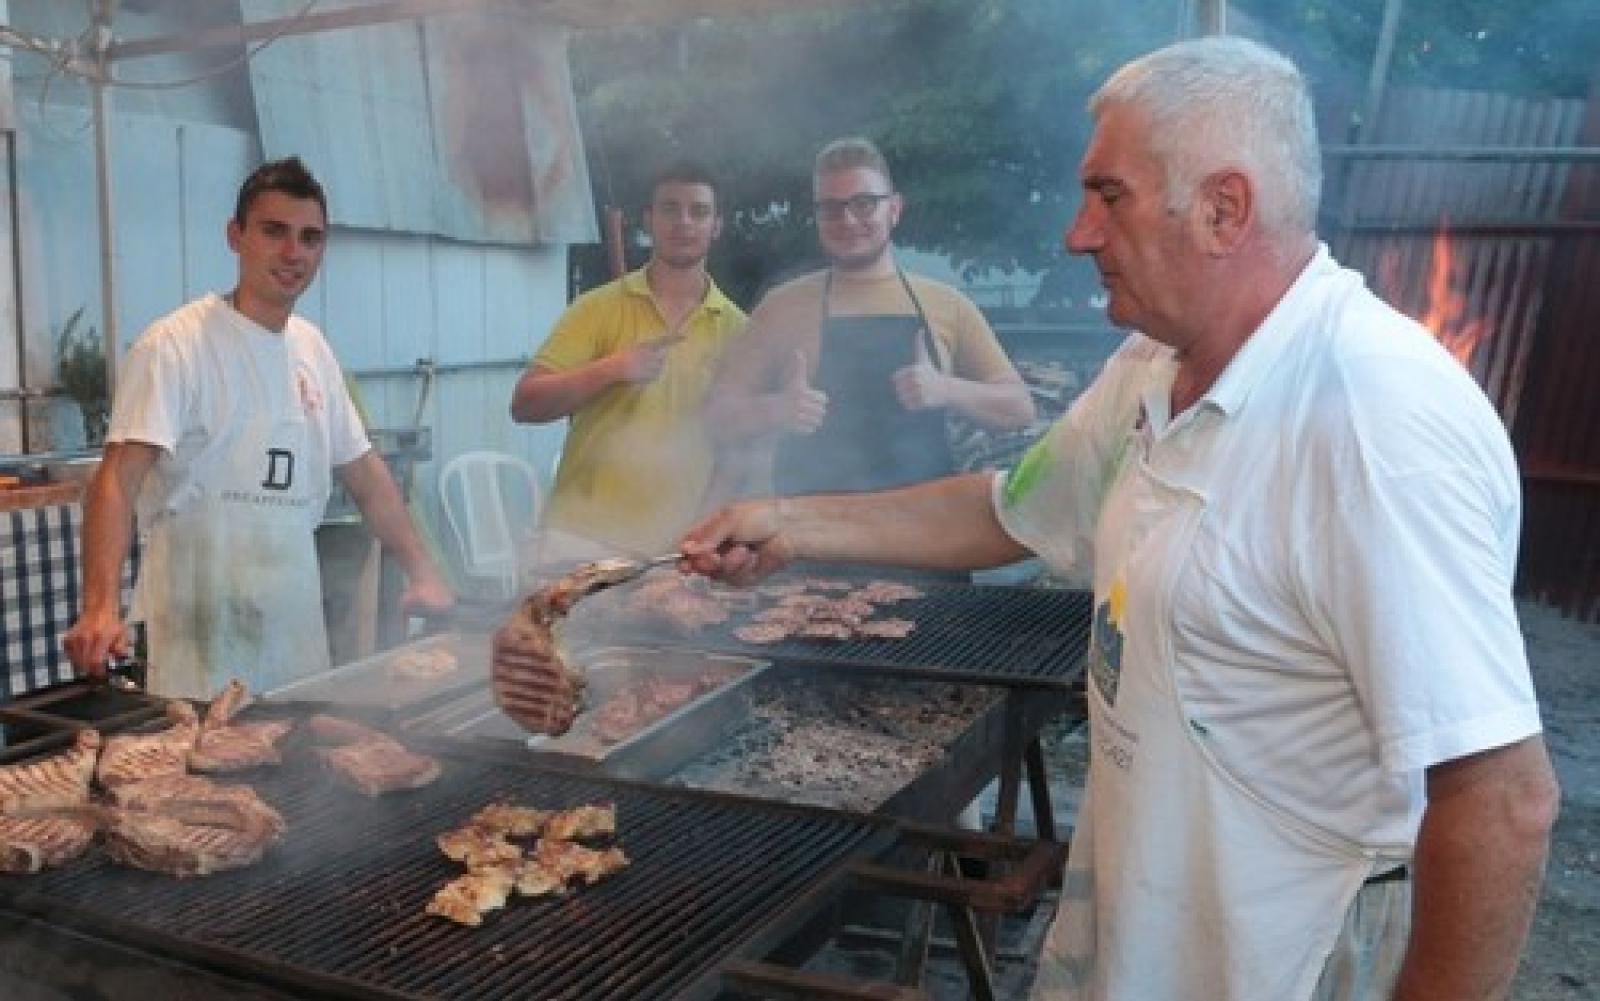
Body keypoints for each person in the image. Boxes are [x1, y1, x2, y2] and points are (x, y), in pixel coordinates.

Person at [675, 38, 1559, 1001]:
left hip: (1292, 949)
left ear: (1224, 208)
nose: (1076, 234)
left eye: (1109, 195)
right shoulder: (1149, 367)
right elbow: (1008, 509)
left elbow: (1502, 798)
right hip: (1157, 912)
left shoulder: (1376, 416)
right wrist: (789, 522)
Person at [63, 157, 453, 699]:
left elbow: (366, 474)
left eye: (310, 238)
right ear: (235, 235)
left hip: (294, 634)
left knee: (304, 776)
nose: (294, 253)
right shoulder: (175, 344)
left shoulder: (312, 349)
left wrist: (422, 570)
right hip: (196, 632)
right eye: (275, 231)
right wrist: (99, 608)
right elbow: (116, 479)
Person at [703, 136, 1033, 500]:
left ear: (894, 208)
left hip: (927, 535)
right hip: (810, 537)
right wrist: (776, 409)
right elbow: (716, 417)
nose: (847, 219)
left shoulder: (947, 304)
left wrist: (946, 388)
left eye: (864, 204)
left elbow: (1019, 408)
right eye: (830, 207)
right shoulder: (782, 306)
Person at [510, 160, 747, 562]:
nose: (684, 222)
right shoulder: (597, 309)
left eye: (699, 211)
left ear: (718, 225)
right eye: (670, 209)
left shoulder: (740, 330)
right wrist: (611, 369)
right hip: (580, 541)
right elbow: (525, 403)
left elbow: (741, 447)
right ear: (648, 221)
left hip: (681, 551)